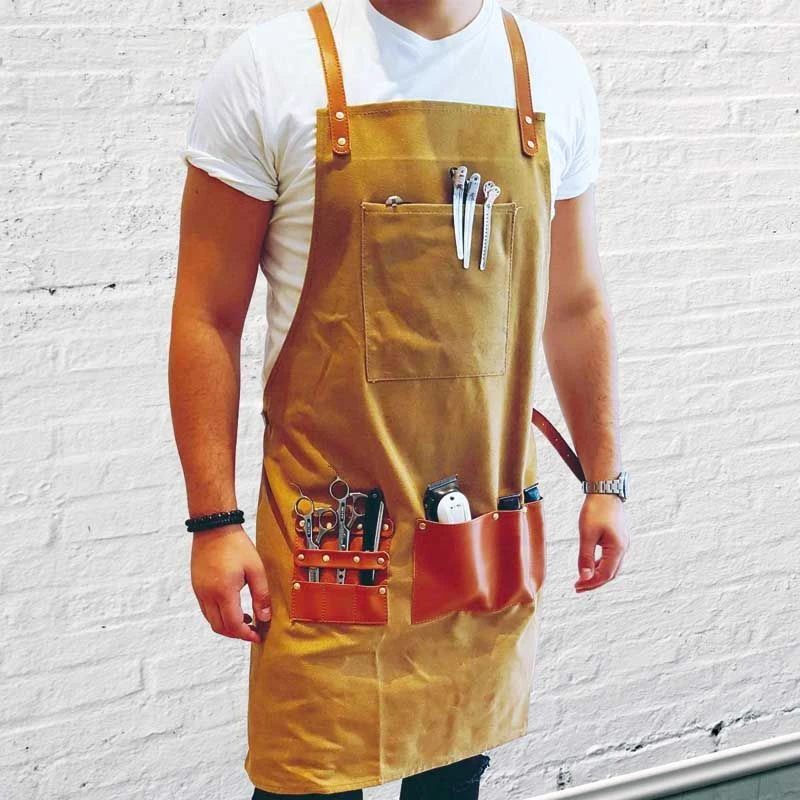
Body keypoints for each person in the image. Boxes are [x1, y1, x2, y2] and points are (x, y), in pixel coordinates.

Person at [169, 0, 630, 797]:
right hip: (327, 542)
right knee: (305, 784)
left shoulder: (551, 75)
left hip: (479, 532)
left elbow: (575, 304)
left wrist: (605, 480)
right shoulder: (271, 69)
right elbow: (206, 316)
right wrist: (214, 522)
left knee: (454, 783)